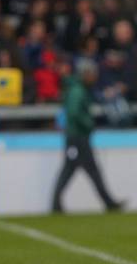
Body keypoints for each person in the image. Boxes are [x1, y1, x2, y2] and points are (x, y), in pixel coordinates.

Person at [51, 58, 123, 213]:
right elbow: (74, 113)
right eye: (92, 74)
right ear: (86, 74)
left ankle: (56, 204)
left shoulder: (77, 88)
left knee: (71, 170)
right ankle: (109, 203)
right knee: (89, 171)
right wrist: (89, 124)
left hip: (75, 137)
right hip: (78, 138)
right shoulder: (78, 90)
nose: (95, 77)